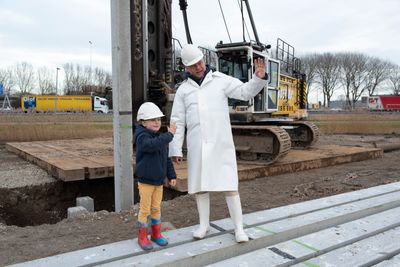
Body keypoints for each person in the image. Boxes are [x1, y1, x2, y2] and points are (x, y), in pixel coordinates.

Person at [169, 44, 268, 243]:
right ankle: (204, 225)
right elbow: (177, 121)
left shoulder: (221, 81)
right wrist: (175, 148)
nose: (198, 67)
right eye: (193, 66)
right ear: (186, 68)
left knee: (229, 184)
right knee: (200, 186)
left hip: (221, 143)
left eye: (200, 62)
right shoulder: (183, 91)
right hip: (198, 145)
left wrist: (258, 78)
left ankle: (239, 229)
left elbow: (244, 92)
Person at [135, 102, 177, 250]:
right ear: (143, 122)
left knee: (156, 208)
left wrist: (171, 175)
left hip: (158, 182)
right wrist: (170, 134)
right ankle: (142, 237)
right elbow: (151, 145)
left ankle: (156, 234)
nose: (157, 122)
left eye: (158, 119)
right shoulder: (141, 137)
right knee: (145, 209)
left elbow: (166, 159)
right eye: (153, 120)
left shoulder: (159, 138)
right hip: (146, 182)